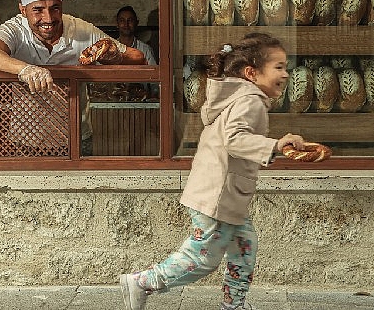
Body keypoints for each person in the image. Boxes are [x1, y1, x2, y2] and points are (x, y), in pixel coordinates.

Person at [119, 33, 306, 310]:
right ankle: (143, 282)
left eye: (285, 66)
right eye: (278, 67)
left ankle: (233, 305)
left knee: (245, 246)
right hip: (218, 196)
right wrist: (276, 145)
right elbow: (235, 139)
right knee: (202, 258)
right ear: (251, 73)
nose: (286, 74)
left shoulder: (239, 97)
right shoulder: (250, 101)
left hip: (223, 193)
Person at [0, 0, 146, 154]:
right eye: (38, 10)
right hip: (26, 140)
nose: (48, 18)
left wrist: (116, 56)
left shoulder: (80, 29)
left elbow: (138, 57)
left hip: (76, 137)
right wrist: (26, 69)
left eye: (55, 8)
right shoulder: (15, 29)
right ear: (23, 10)